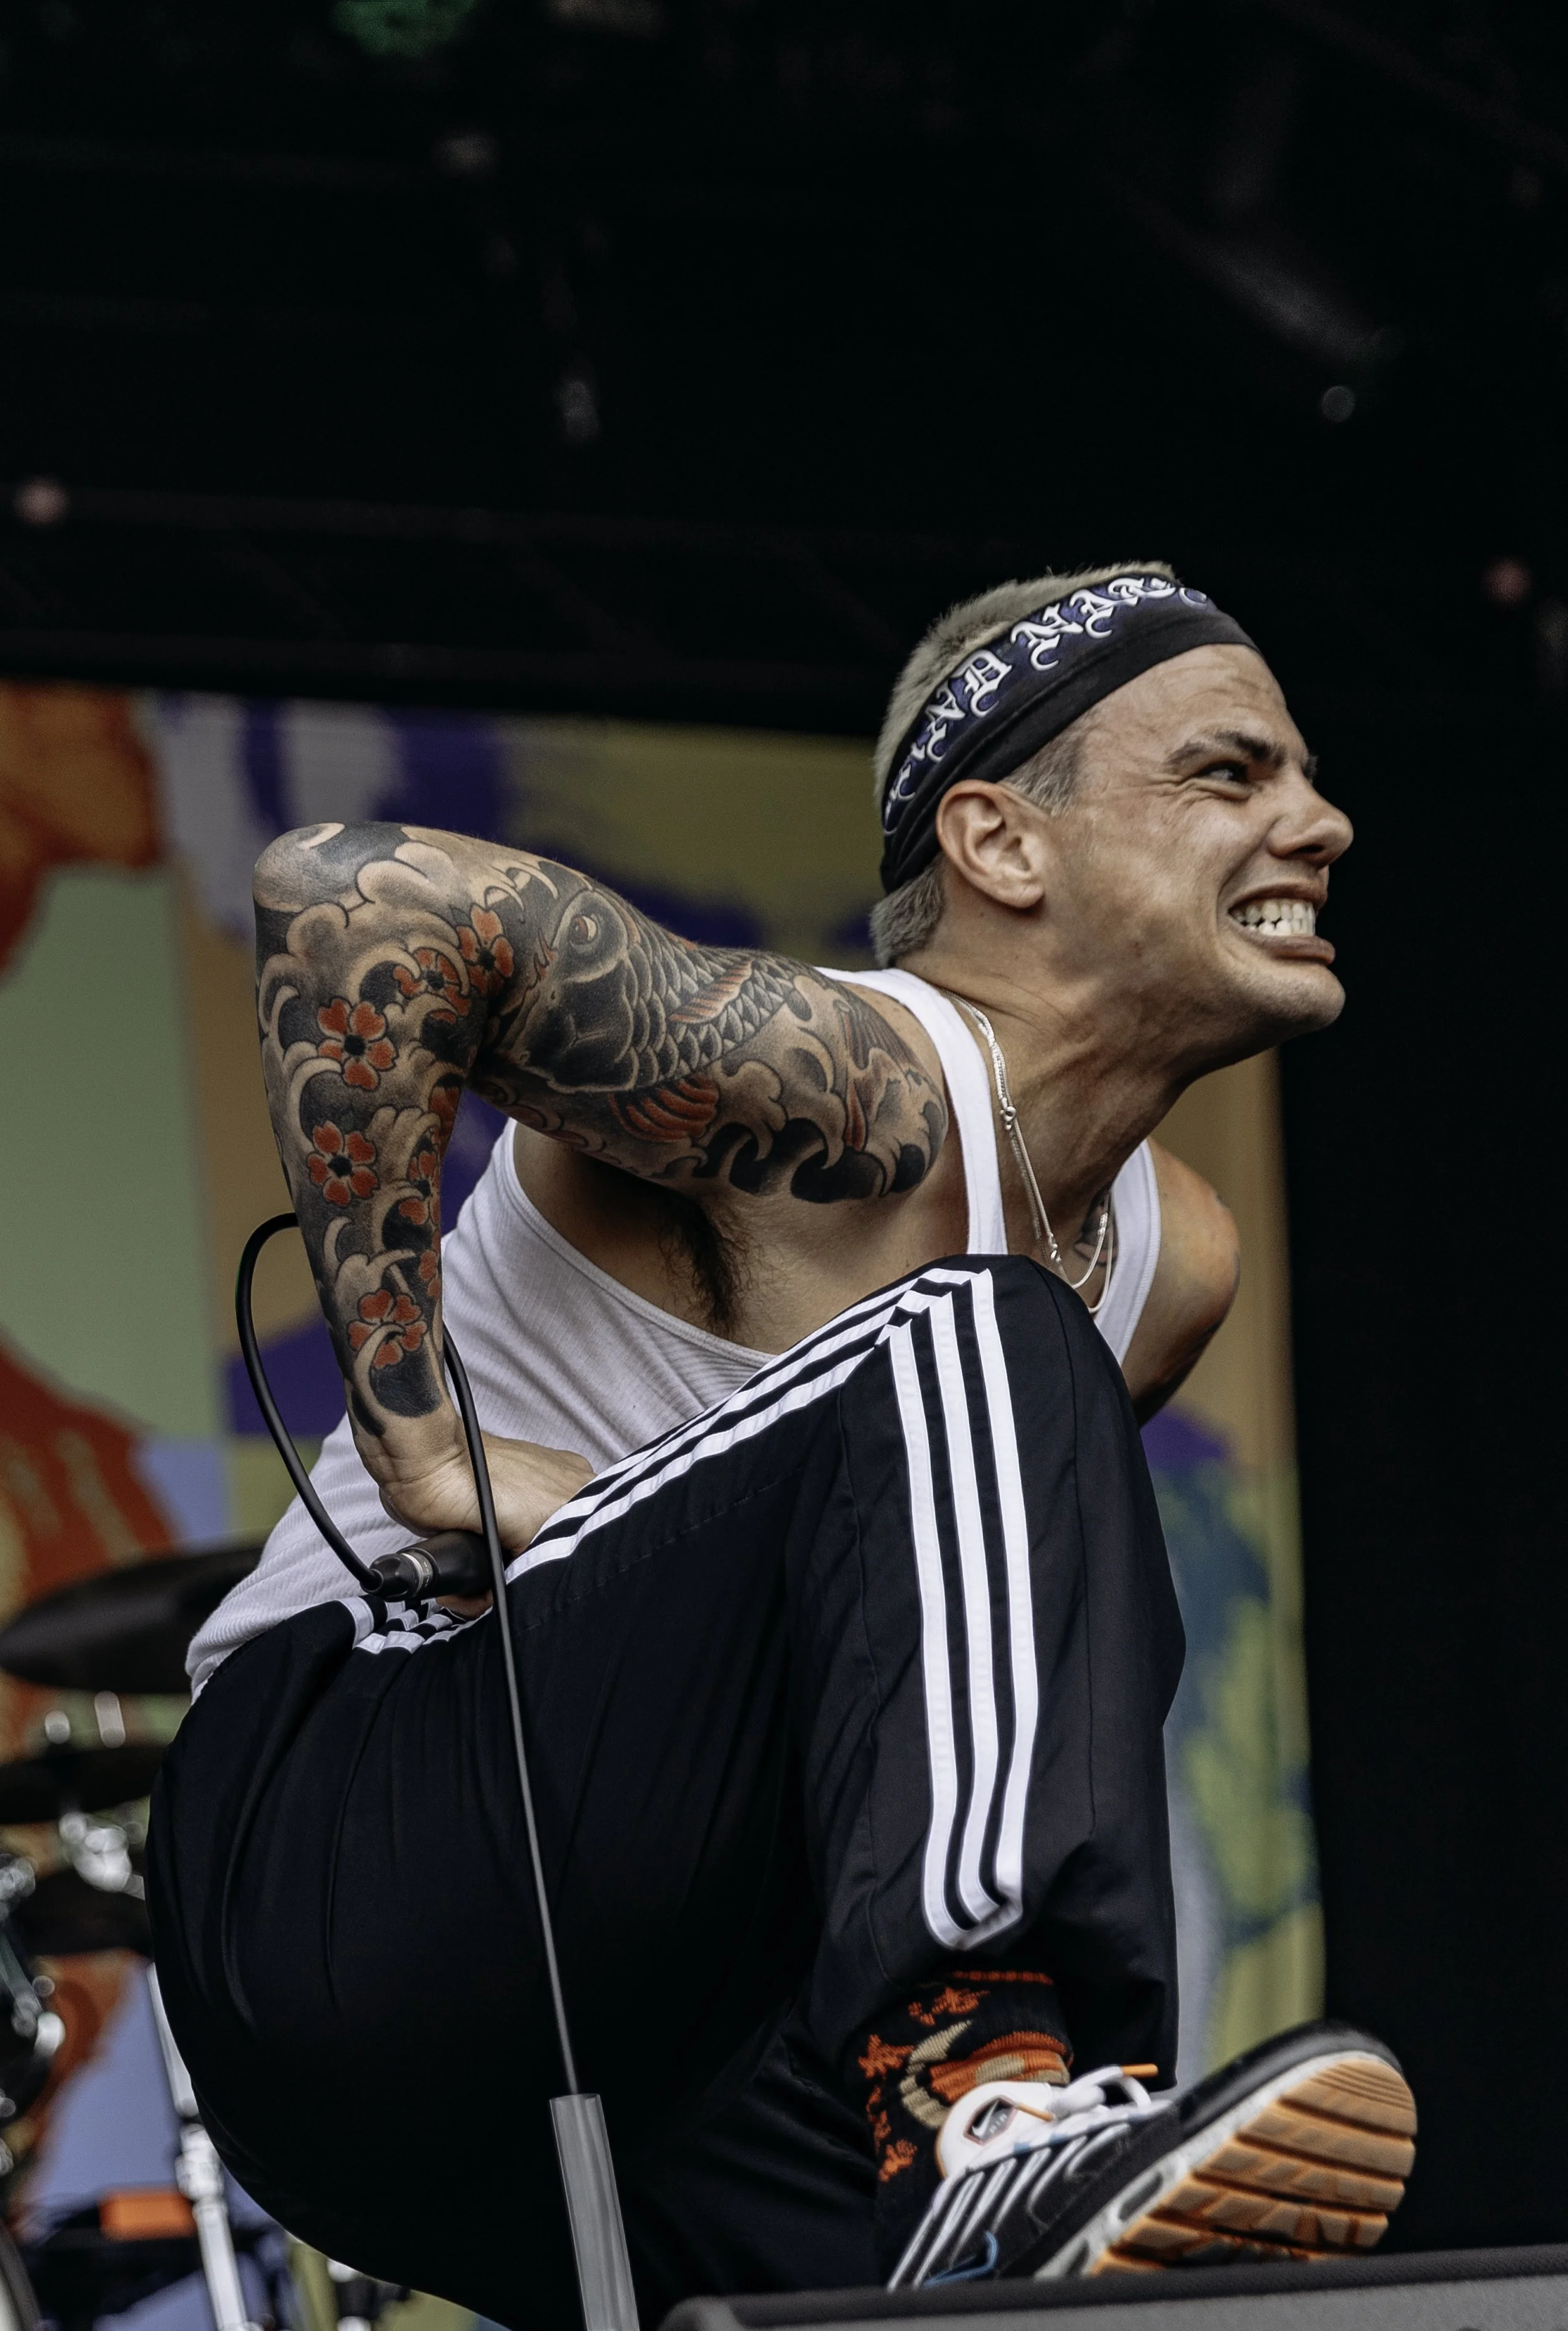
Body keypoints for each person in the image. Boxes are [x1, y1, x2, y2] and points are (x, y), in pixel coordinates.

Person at [148, 565, 1414, 2323]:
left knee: (1029, 2308)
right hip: (346, 1876)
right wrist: (422, 1437)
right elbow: (351, 895)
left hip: (653, 2038)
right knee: (988, 1331)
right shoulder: (851, 1081)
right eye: (1229, 772)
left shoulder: (1172, 1255)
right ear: (1000, 841)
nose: (1318, 818)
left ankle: (1015, 2177)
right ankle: (990, 2097)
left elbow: (935, 1659)